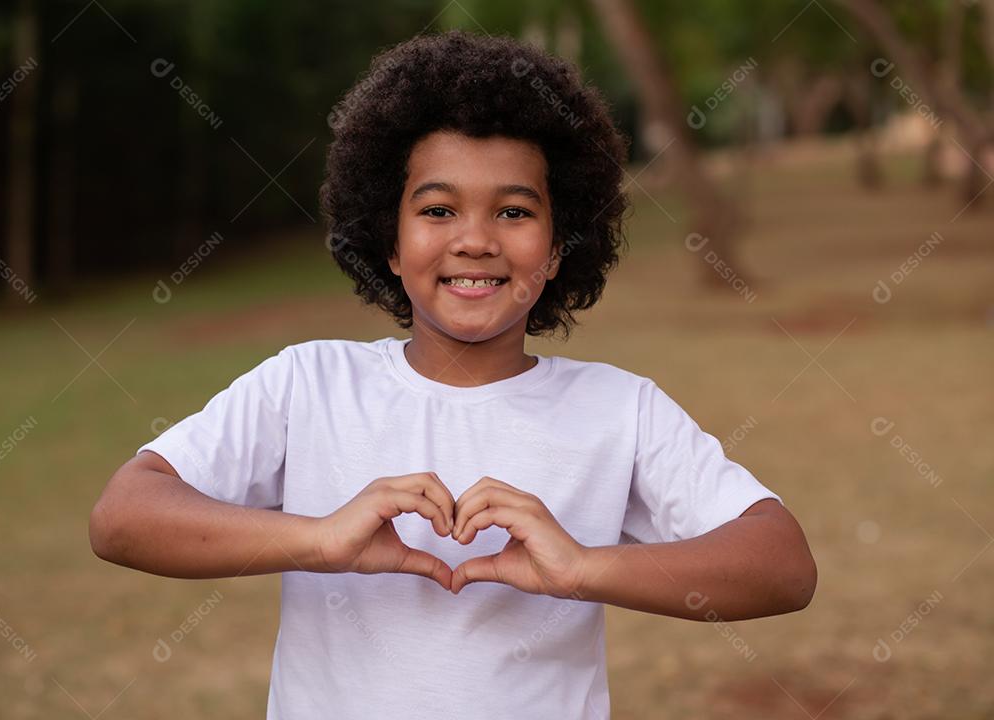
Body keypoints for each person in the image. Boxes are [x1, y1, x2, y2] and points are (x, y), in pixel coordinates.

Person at [89, 30, 816, 719]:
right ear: (391, 243)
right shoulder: (306, 386)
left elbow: (783, 566)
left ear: (560, 247)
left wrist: (581, 567)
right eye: (438, 209)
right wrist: (320, 538)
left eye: (513, 210)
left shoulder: (617, 409)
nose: (475, 240)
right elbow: (123, 518)